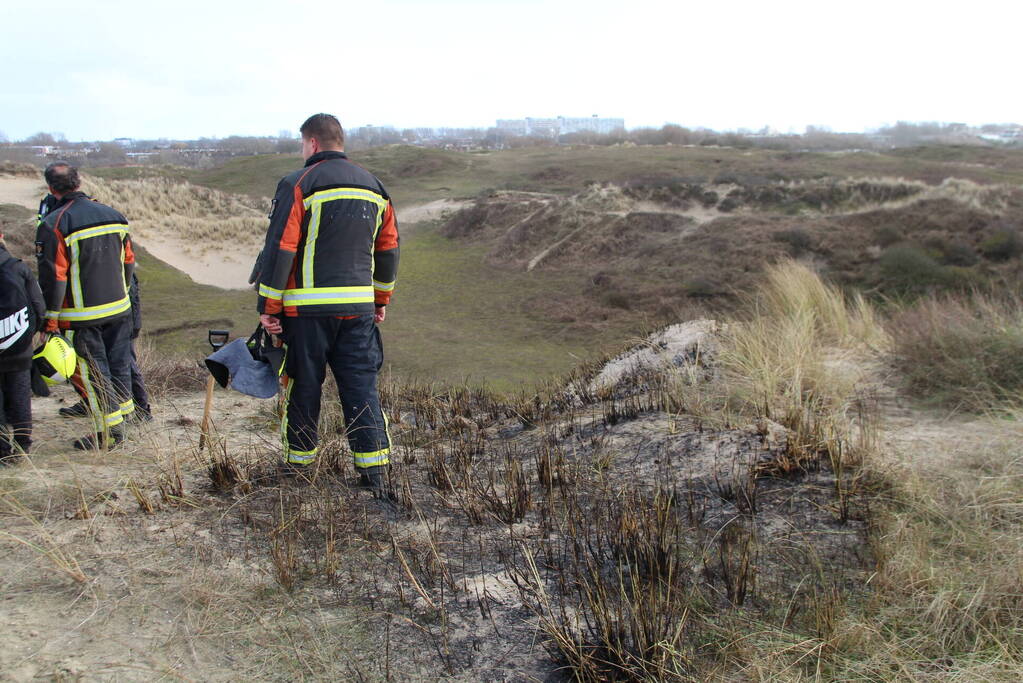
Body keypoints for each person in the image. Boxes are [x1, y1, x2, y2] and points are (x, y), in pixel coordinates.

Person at [256, 113, 399, 489]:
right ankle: (374, 473)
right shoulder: (375, 186)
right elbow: (388, 249)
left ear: (313, 143)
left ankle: (299, 468)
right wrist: (380, 299)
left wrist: (269, 308)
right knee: (361, 387)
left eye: (302, 144)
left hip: (307, 313)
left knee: (304, 386)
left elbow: (281, 248)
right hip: (359, 310)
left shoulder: (298, 182)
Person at [35, 161, 136, 450]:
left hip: (80, 317)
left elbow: (54, 276)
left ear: (51, 188)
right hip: (119, 307)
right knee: (119, 366)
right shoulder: (114, 215)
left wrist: (50, 321)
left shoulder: (54, 223)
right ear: (78, 183)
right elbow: (128, 260)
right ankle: (125, 416)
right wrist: (124, 293)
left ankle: (109, 432)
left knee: (92, 374)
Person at [59, 271, 152, 422]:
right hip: (102, 305)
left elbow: (128, 275)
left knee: (124, 362)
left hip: (118, 309)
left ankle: (141, 409)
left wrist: (133, 320)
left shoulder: (114, 248)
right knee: (104, 364)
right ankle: (90, 403)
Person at [0, 227, 46, 465]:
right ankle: (22, 447)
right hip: (19, 346)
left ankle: (2, 451)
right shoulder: (19, 268)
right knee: (20, 397)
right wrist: (30, 334)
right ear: (1, 237)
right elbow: (38, 307)